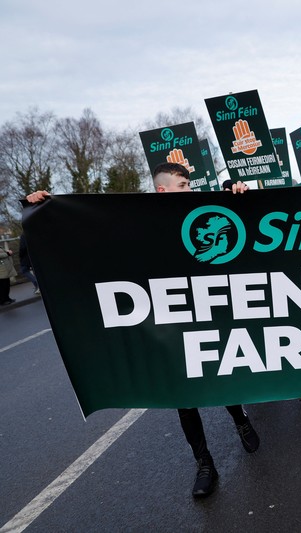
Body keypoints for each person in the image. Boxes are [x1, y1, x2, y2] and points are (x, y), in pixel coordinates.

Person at [26, 162, 260, 498]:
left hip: (206, 312)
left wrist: (241, 195)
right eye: (182, 186)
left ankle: (240, 418)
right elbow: (87, 232)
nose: (189, 191)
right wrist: (41, 207)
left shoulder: (202, 209)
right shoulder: (138, 220)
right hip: (168, 319)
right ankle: (203, 461)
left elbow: (241, 225)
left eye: (190, 185)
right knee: (183, 393)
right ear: (162, 190)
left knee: (221, 370)